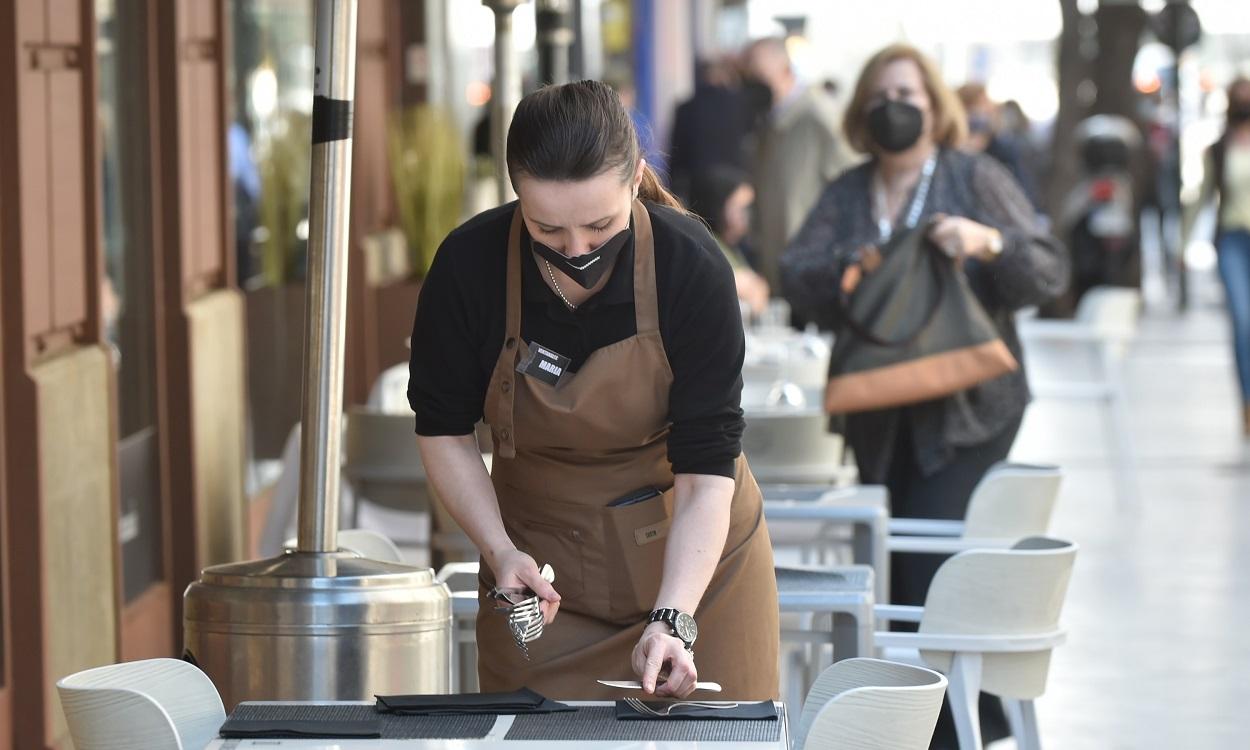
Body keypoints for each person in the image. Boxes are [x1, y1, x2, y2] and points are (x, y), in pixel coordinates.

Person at [407, 80, 779, 701]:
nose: (576, 250)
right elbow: (442, 428)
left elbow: (705, 469)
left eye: (600, 226)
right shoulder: (468, 267)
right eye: (547, 230)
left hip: (697, 562)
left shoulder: (690, 266)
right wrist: (499, 552)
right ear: (516, 195)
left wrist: (675, 618)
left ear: (635, 179)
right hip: (539, 574)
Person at [780, 44, 1067, 747]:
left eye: (907, 92)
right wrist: (849, 269)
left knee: (927, 571)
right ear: (860, 112)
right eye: (879, 95)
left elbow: (1048, 272)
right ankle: (950, 719)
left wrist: (986, 243)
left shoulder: (975, 177)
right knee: (897, 569)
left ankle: (953, 725)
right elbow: (794, 274)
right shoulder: (850, 193)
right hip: (880, 413)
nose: (894, 106)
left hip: (972, 409)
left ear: (935, 107)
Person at [743, 37, 851, 290]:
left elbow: (851, 178)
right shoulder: (767, 122)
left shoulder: (818, 114)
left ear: (785, 70)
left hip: (811, 268)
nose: (752, 84)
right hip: (775, 262)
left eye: (759, 74)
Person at [1188, 77, 1250, 437]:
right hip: (1232, 241)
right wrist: (1183, 242)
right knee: (1243, 323)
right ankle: (1246, 401)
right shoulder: (1220, 147)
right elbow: (1202, 195)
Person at [685, 166, 770, 317]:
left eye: (750, 208)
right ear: (718, 205)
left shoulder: (736, 248)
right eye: (740, 208)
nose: (747, 216)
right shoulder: (702, 246)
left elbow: (759, 290)